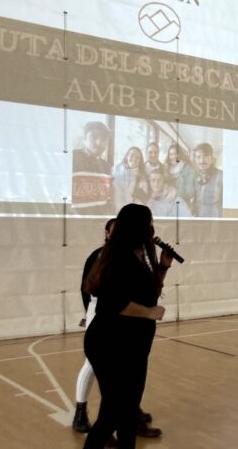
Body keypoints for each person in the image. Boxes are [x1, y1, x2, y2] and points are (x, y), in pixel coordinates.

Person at [82, 204, 171, 448]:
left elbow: (150, 292)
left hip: (134, 344)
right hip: (110, 343)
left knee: (129, 410)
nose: (153, 226)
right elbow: (113, 304)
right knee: (113, 412)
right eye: (150, 222)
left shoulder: (142, 253)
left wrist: (163, 266)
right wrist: (149, 313)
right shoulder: (118, 256)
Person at [72, 121, 113, 214]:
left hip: (100, 222)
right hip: (76, 223)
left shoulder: (106, 167)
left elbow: (106, 200)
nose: (99, 143)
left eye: (104, 139)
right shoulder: (72, 158)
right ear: (84, 139)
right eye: (94, 137)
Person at [112, 147, 150, 212]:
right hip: (116, 208)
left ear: (140, 160)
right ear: (127, 156)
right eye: (131, 155)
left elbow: (143, 199)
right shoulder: (116, 170)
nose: (134, 159)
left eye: (137, 157)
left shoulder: (142, 176)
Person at [192, 142, 223, 217]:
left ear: (212, 158)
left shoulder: (221, 176)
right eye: (198, 157)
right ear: (195, 160)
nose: (202, 160)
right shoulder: (195, 176)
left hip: (216, 220)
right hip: (199, 219)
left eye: (205, 156)